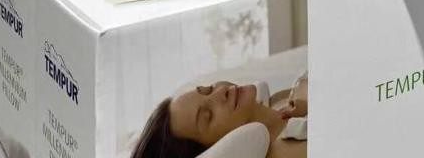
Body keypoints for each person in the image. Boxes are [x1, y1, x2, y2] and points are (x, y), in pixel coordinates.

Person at [131, 79, 307, 158]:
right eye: (208, 115)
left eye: (208, 89)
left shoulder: (279, 100)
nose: (221, 91)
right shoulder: (289, 153)